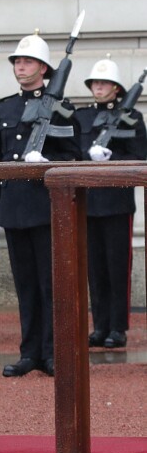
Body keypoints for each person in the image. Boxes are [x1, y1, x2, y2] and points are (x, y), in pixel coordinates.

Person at [0, 32, 80, 378]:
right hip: (14, 208)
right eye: (16, 61)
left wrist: (45, 158)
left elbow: (74, 156)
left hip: (46, 209)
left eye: (26, 61)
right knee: (25, 286)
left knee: (50, 285)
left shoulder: (61, 108)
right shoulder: (5, 108)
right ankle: (29, 352)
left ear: (43, 68)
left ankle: (52, 351)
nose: (20, 66)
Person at [74, 58, 147, 349]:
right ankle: (100, 325)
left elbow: (140, 157)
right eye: (95, 83)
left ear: (116, 88)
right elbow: (74, 153)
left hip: (117, 202)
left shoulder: (132, 118)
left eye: (104, 83)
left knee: (118, 268)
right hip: (89, 202)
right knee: (95, 268)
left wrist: (112, 160)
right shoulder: (81, 117)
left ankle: (118, 327)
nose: (98, 87)